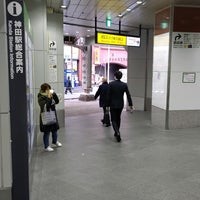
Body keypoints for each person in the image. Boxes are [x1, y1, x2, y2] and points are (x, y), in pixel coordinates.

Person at [106, 71, 133, 142]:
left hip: (113, 104)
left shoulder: (111, 84)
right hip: (120, 104)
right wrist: (131, 105)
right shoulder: (124, 85)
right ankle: (116, 131)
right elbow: (128, 95)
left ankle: (117, 132)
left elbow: (108, 96)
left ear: (115, 76)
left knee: (113, 120)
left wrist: (107, 105)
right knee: (118, 118)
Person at [38, 83, 62, 151]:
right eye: (47, 89)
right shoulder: (40, 97)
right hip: (46, 116)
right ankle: (46, 146)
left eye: (49, 89)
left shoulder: (50, 94)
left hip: (53, 114)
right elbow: (46, 106)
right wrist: (49, 97)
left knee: (55, 130)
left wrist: (54, 94)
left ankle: (55, 141)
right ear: (43, 90)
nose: (48, 90)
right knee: (47, 131)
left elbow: (57, 101)